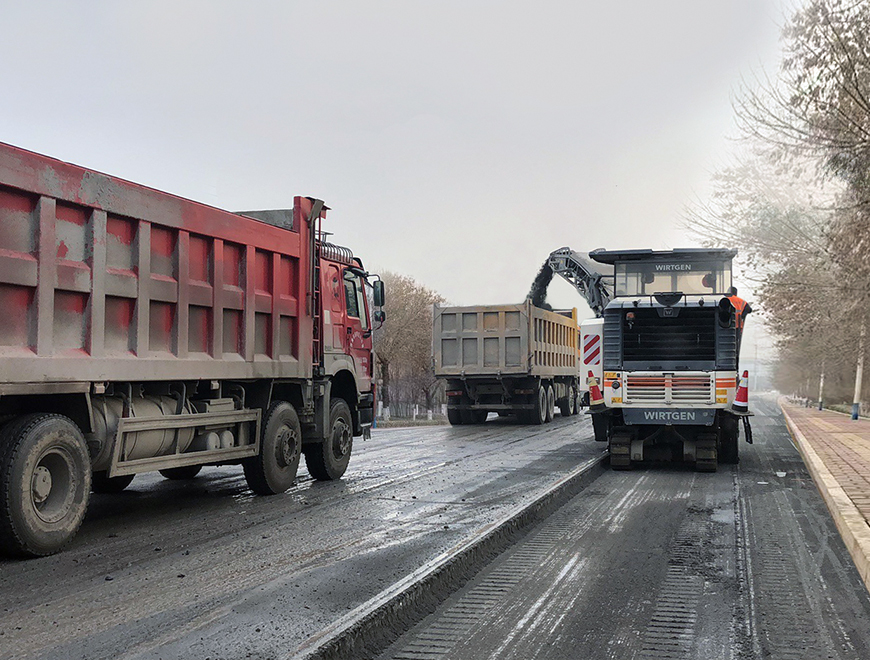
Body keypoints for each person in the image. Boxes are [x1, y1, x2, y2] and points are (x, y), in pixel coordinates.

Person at [727, 286, 752, 359]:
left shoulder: (725, 300)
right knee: (735, 344)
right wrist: (742, 316)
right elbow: (749, 309)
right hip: (738, 326)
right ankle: (735, 356)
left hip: (726, 325)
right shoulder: (741, 301)